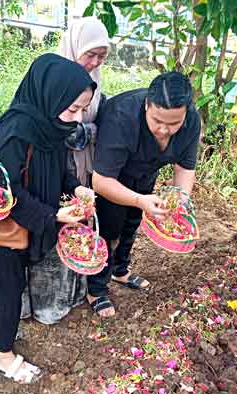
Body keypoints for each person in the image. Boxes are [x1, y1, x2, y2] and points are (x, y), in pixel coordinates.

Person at [0, 54, 96, 383]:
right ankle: (2, 355)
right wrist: (53, 214)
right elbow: (4, 190)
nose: (78, 117)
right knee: (2, 287)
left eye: (83, 109)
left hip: (21, 221)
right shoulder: (17, 131)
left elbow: (60, 169)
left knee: (5, 285)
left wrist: (76, 189)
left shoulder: (51, 125)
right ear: (49, 94)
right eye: (73, 108)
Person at [19, 16, 110, 325]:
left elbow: (101, 125)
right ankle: (40, 302)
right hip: (45, 174)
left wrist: (76, 183)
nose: (95, 62)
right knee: (45, 228)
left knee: (76, 230)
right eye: (90, 54)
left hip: (73, 169)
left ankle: (69, 292)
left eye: (102, 56)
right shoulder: (49, 80)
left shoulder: (96, 85)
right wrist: (83, 132)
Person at [87, 72, 200, 317]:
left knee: (133, 222)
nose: (164, 130)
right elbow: (101, 180)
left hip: (146, 172)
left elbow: (185, 168)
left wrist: (181, 202)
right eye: (157, 120)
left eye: (173, 123)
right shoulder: (121, 116)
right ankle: (95, 289)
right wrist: (138, 199)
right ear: (146, 104)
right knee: (109, 227)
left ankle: (120, 271)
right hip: (113, 176)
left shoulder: (191, 120)